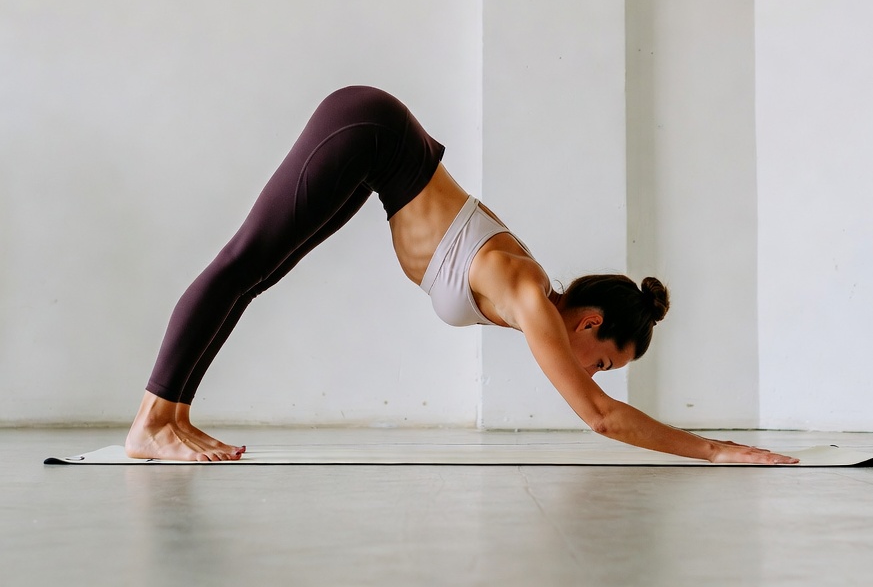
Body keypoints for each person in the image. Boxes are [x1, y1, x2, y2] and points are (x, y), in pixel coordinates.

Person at [126, 86, 797, 465]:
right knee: (243, 263)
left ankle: (174, 418)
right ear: (589, 323)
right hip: (370, 133)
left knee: (254, 274)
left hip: (378, 155)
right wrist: (716, 451)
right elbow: (598, 418)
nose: (593, 373)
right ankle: (152, 420)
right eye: (604, 360)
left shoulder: (527, 295)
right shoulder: (528, 294)